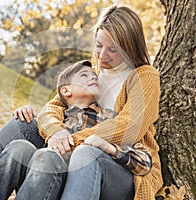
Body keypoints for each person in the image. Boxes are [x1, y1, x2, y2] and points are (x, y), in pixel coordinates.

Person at [0, 60, 152, 199]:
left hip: (88, 182)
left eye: (95, 77)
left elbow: (144, 161)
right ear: (66, 91)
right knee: (20, 147)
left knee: (52, 156)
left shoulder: (111, 119)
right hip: (48, 180)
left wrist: (108, 147)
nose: (93, 78)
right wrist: (27, 114)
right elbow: (44, 120)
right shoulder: (56, 122)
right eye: (85, 76)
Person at [36, 5, 163, 200]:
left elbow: (129, 128)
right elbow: (54, 106)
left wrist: (71, 142)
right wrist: (56, 132)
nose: (102, 55)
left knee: (86, 154)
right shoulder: (92, 71)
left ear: (130, 47)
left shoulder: (145, 77)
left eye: (113, 49)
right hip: (76, 154)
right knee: (23, 123)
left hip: (126, 170)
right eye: (98, 45)